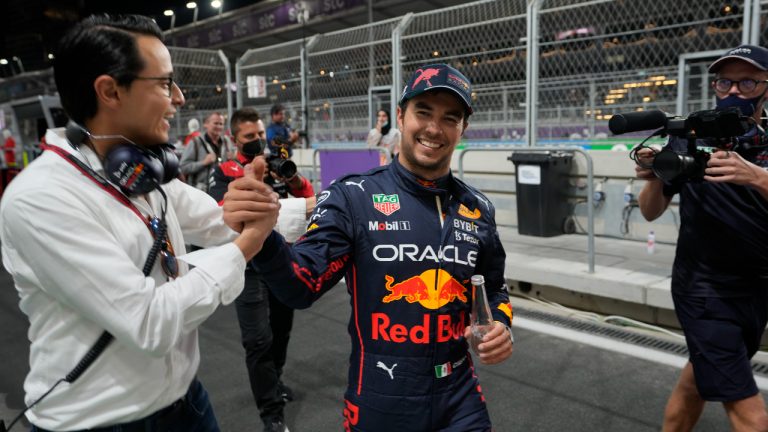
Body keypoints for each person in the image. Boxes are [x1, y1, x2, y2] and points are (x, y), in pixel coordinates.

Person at [0, 14, 278, 431]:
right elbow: (149, 323)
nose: (180, 98)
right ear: (110, 90)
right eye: (165, 84)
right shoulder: (40, 198)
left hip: (186, 402)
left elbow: (222, 220)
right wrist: (244, 248)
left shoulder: (138, 173)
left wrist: (334, 204)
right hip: (101, 423)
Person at [237, 63, 514, 431]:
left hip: (460, 398)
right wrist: (263, 237)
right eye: (423, 112)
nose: (434, 128)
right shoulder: (352, 196)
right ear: (401, 116)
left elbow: (494, 287)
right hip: (381, 401)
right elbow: (300, 286)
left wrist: (501, 326)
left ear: (463, 127)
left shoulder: (479, 208)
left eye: (451, 117)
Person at [635, 44, 768, 432]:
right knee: (750, 414)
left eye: (746, 82)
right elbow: (649, 210)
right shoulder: (688, 136)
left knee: (696, 383)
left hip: (756, 289)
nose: (733, 91)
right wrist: (658, 176)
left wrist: (756, 177)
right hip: (704, 290)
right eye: (725, 81)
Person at [208, 108, 315, 432]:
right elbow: (220, 213)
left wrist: (290, 178)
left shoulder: (275, 163)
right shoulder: (225, 169)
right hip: (249, 267)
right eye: (249, 137)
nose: (256, 142)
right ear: (235, 138)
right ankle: (271, 413)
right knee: (257, 340)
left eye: (259, 135)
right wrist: (248, 179)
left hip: (283, 260)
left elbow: (307, 196)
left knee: (281, 332)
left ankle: (276, 381)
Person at [180, 111, 234, 192]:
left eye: (221, 124)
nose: (219, 126)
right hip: (200, 193)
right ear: (206, 124)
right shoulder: (195, 142)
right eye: (216, 123)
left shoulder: (227, 141)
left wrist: (233, 159)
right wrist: (203, 163)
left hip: (223, 189)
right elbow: (183, 167)